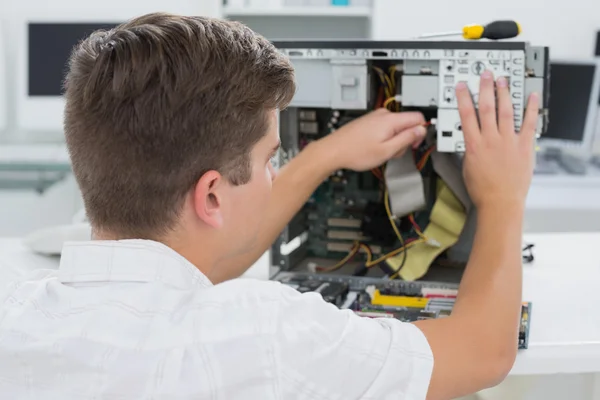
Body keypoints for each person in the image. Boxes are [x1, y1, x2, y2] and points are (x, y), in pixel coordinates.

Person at [0, 12, 539, 400]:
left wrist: (325, 154)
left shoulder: (15, 319)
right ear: (212, 195)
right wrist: (501, 196)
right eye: (268, 162)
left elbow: (188, 260)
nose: (273, 174)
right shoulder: (267, 336)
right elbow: (483, 352)